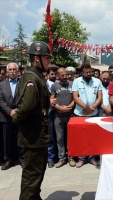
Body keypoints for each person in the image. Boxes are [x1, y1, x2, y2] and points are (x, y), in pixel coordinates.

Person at [11, 41, 51, 200]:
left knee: (37, 173)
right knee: (31, 176)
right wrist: (15, 116)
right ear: (36, 59)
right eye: (46, 58)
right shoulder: (31, 78)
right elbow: (26, 107)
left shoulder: (37, 77)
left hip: (38, 135)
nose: (49, 61)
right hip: (32, 135)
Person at [72, 63, 102, 168]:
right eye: (87, 72)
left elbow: (99, 97)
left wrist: (92, 108)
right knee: (81, 137)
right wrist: (86, 108)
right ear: (82, 72)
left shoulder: (97, 81)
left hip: (94, 114)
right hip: (80, 114)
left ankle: (92, 157)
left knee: (92, 137)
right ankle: (81, 158)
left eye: (90, 72)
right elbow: (75, 97)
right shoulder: (76, 81)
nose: (89, 74)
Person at [50, 68, 75, 168]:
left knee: (71, 138)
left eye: (66, 74)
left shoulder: (72, 84)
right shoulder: (54, 85)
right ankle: (62, 158)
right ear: (57, 76)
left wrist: (70, 107)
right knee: (59, 138)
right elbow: (52, 99)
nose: (65, 77)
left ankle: (71, 157)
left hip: (70, 115)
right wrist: (59, 108)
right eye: (62, 75)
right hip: (58, 116)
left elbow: (75, 98)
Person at [0, 62, 21, 170]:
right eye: (10, 70)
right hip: (6, 116)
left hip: (20, 115)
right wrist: (10, 111)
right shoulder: (1, 84)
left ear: (17, 71)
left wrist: (18, 110)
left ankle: (22, 158)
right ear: (7, 72)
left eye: (14, 70)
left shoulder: (23, 83)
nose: (12, 72)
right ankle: (8, 160)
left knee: (21, 137)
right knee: (6, 140)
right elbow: (0, 100)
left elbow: (25, 98)